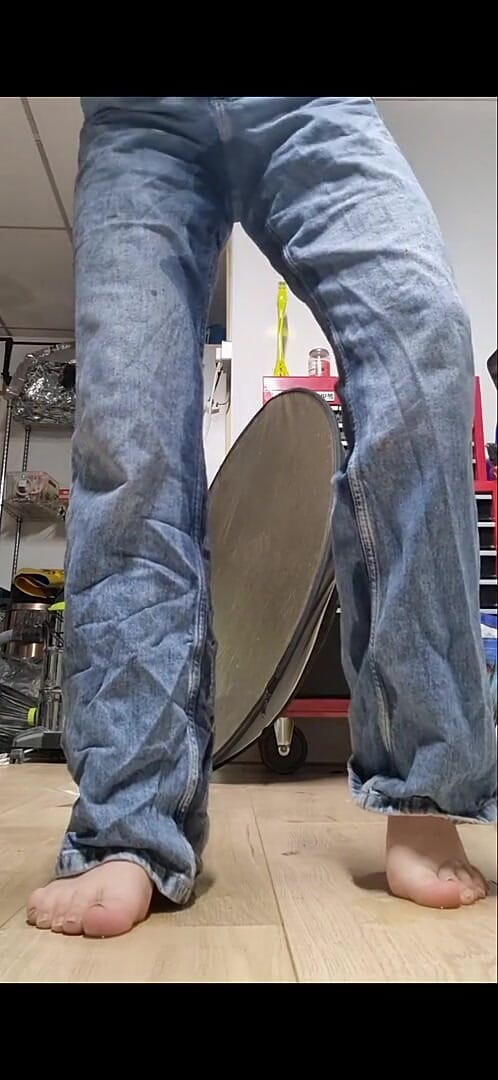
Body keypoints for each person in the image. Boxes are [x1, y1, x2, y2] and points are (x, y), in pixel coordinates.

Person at [27, 97, 496, 938]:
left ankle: (426, 782)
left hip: (309, 105)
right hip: (137, 115)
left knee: (421, 337)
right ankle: (128, 823)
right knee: (129, 439)